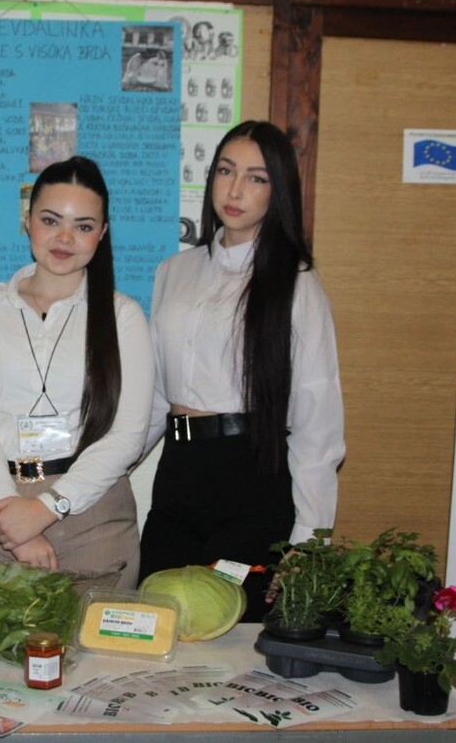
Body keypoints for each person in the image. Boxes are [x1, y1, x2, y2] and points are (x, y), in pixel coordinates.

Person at [139, 120, 345, 620]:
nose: (235, 191)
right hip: (178, 473)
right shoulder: (174, 271)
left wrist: (309, 538)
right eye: (226, 171)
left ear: (278, 192)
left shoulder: (296, 283)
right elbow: (154, 397)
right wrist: (95, 473)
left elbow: (318, 420)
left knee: (234, 628)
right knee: (158, 619)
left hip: (251, 476)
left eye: (256, 178)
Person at [0, 156, 153, 587]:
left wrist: (48, 507)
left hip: (90, 512)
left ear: (102, 233)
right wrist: (11, 517)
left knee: (91, 633)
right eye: (50, 220)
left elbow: (128, 433)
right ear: (28, 221)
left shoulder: (124, 316)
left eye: (83, 226)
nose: (64, 238)